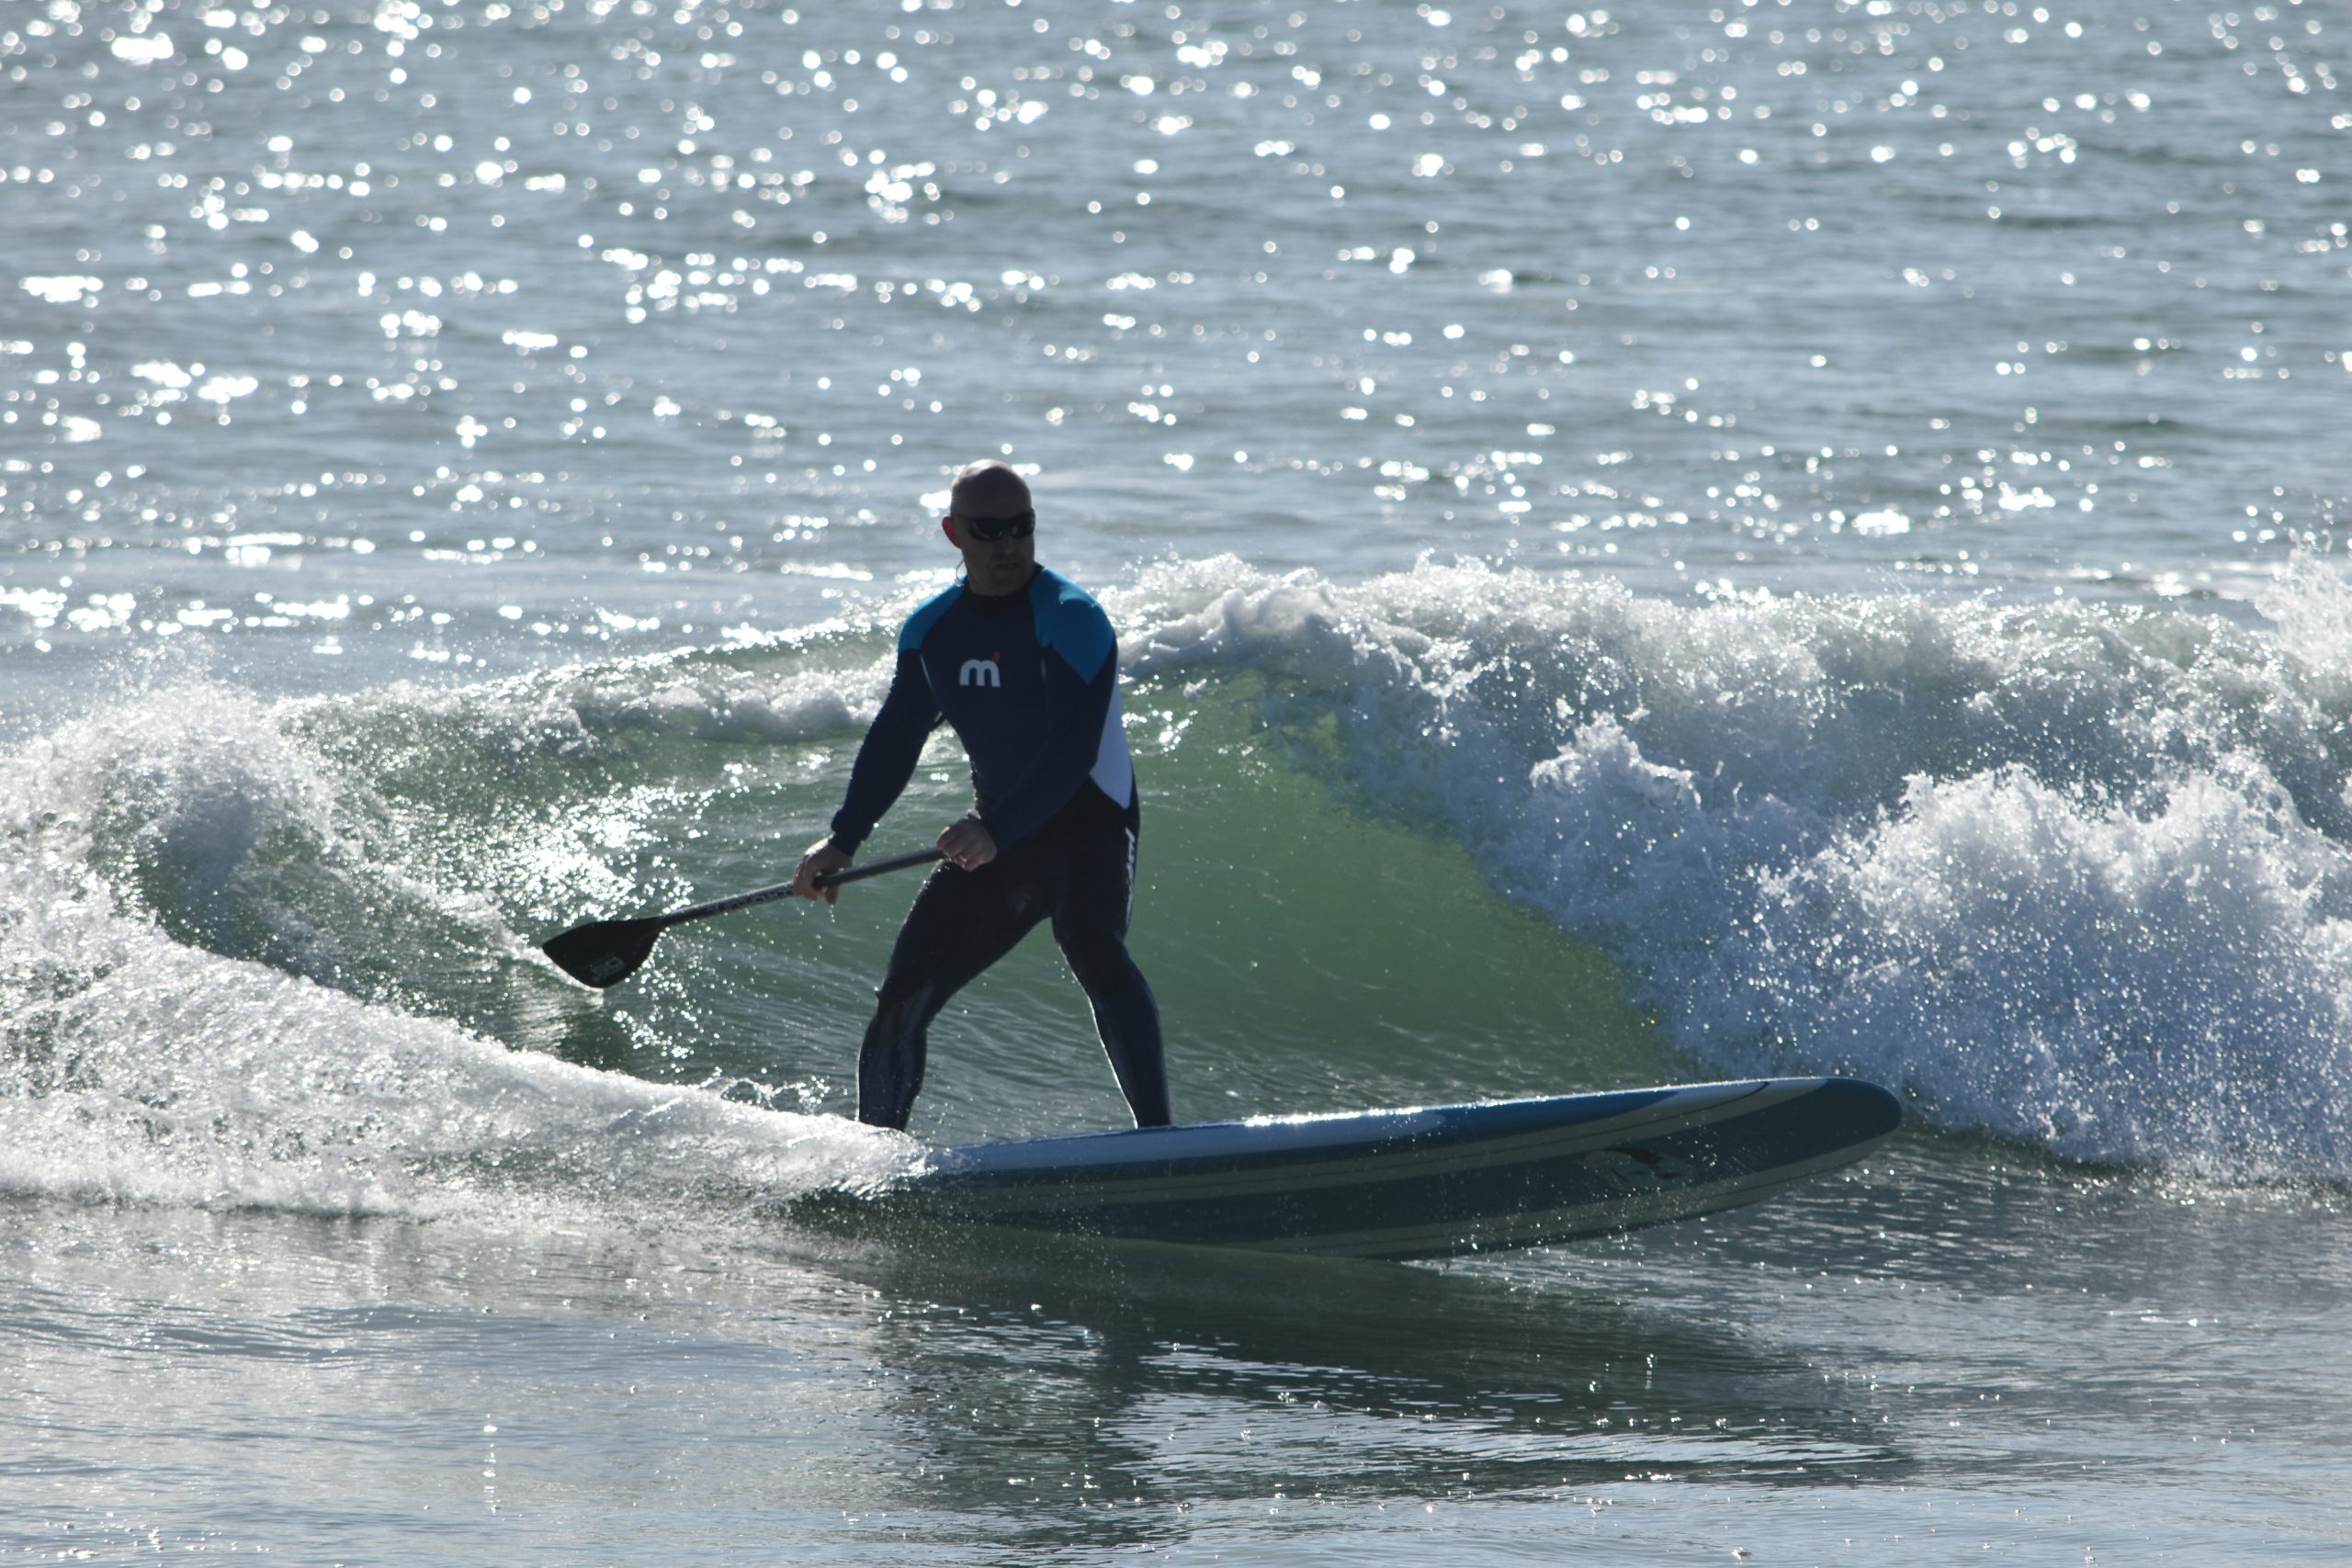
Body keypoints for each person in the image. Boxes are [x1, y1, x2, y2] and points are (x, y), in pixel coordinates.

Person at [791, 460, 1170, 1132]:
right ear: (952, 533)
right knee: (901, 993)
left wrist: (997, 830)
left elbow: (1072, 753)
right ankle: (876, 1160)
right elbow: (894, 741)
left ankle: (1160, 1142)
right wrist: (843, 838)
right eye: (989, 530)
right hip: (1001, 833)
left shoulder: (1072, 618)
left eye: (1021, 528)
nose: (1008, 545)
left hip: (1091, 826)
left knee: (1091, 942)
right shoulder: (933, 632)